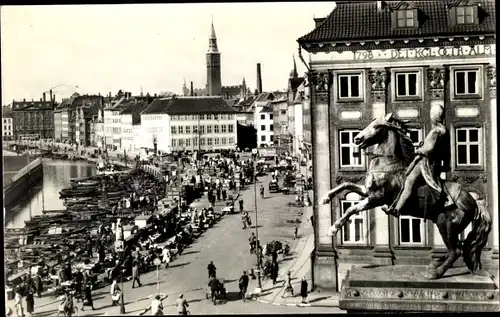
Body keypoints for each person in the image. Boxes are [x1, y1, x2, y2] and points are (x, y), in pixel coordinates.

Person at [383, 106, 452, 218]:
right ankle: (394, 205)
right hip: (432, 162)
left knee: (408, 182)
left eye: (432, 114)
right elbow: (445, 151)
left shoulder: (436, 131)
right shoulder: (444, 130)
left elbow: (429, 148)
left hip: (424, 162)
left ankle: (397, 210)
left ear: (434, 116)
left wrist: (420, 149)